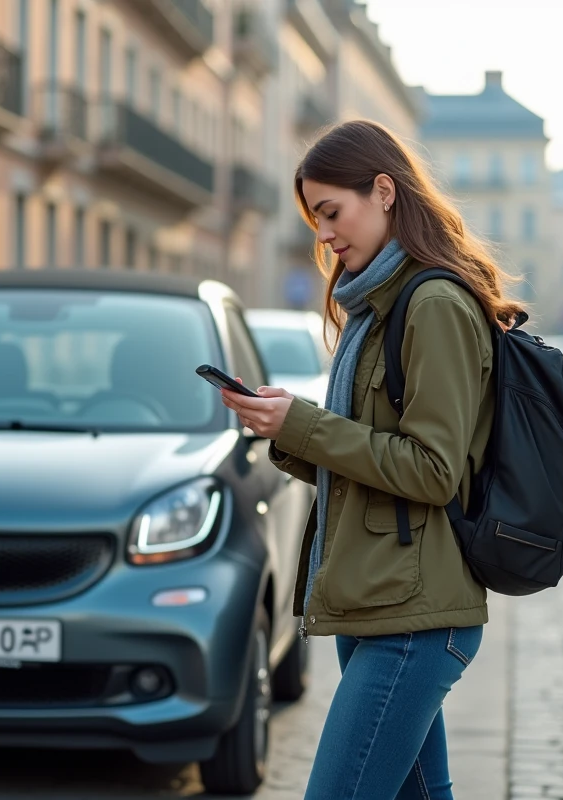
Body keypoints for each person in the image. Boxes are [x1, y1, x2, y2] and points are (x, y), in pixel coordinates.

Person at [219, 120, 523, 800]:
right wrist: (288, 429)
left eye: (332, 212)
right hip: (379, 599)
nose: (324, 235)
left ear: (384, 191)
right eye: (315, 219)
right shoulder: (375, 308)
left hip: (413, 616)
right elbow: (370, 458)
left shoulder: (433, 304)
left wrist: (305, 425)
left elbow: (432, 470)